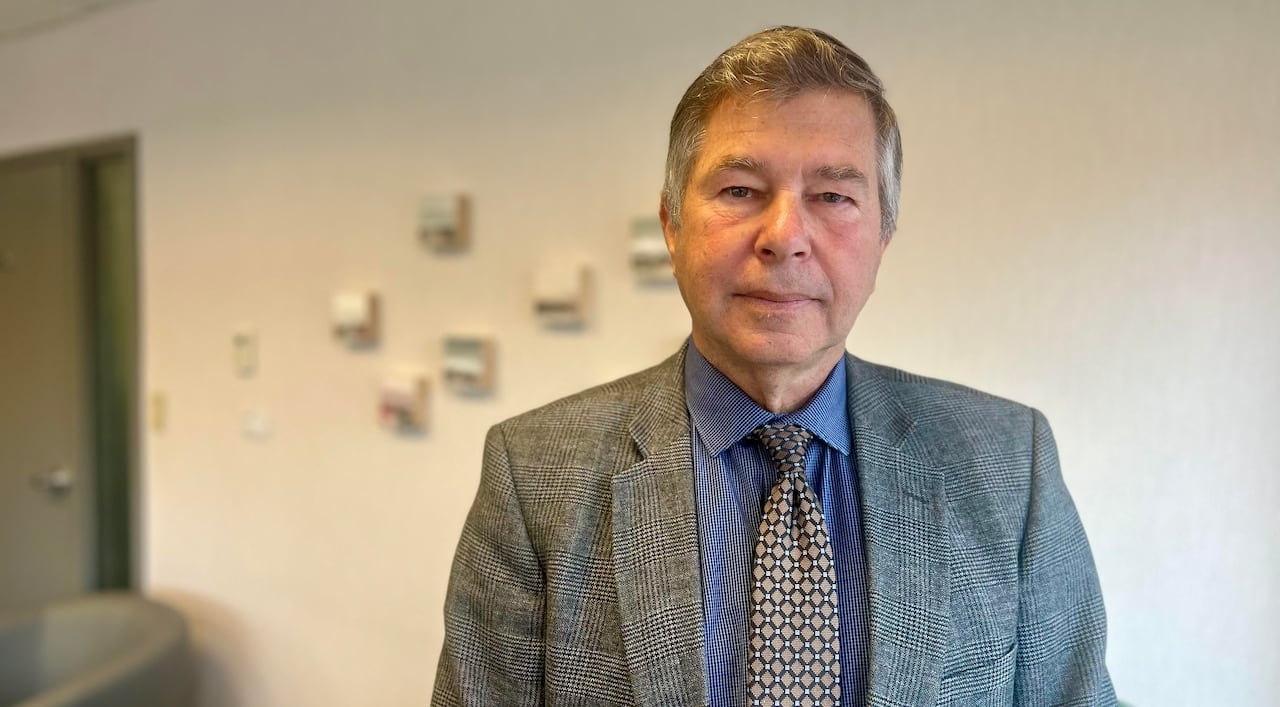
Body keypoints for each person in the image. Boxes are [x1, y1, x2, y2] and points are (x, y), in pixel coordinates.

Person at [433, 26, 1115, 707]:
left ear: (882, 237)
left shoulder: (1008, 464)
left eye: (833, 196)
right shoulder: (533, 475)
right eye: (740, 190)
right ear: (671, 226)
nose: (785, 237)